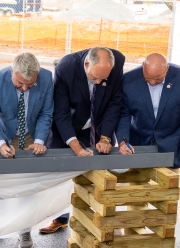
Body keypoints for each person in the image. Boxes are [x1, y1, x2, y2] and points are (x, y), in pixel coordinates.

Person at [41, 47, 125, 234]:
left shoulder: (117, 61)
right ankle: (60, 218)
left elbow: (115, 103)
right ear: (86, 64)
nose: (99, 82)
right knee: (63, 175)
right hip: (69, 126)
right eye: (94, 78)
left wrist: (105, 137)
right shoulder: (66, 67)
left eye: (104, 79)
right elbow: (60, 112)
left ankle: (99, 220)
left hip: (97, 125)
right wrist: (75, 145)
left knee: (99, 172)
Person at [0, 52, 53, 248]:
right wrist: (0, 144)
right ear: (12, 72)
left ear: (37, 75)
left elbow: (46, 113)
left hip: (31, 133)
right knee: (1, 183)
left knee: (27, 184)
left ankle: (24, 230)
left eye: (30, 86)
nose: (24, 89)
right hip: (4, 133)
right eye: (20, 84)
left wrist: (40, 141)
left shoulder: (47, 78)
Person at [115, 52, 180, 169]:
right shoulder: (128, 79)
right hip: (139, 144)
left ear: (167, 69)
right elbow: (124, 114)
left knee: (169, 185)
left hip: (172, 146)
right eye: (148, 78)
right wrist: (123, 142)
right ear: (143, 65)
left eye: (158, 79)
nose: (152, 82)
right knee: (137, 185)